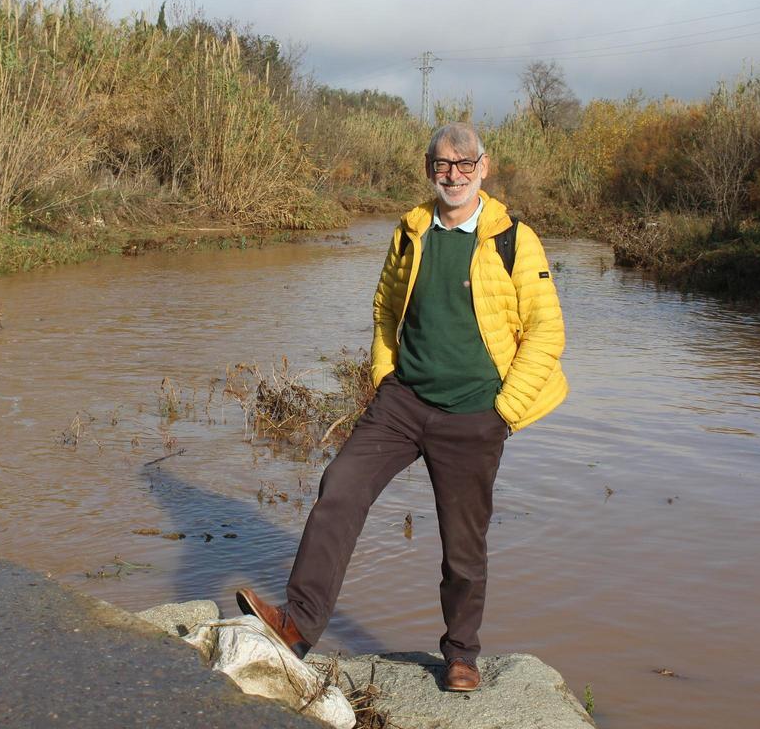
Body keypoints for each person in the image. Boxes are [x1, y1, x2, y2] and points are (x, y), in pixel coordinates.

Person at [236, 122, 568, 692]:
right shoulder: (411, 230)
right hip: (402, 403)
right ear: (428, 169)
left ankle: (461, 654)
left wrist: (504, 410)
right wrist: (385, 375)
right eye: (444, 165)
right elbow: (385, 308)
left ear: (484, 168)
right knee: (339, 488)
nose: (455, 175)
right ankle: (297, 627)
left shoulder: (515, 238)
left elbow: (546, 332)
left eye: (466, 165)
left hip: (475, 413)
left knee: (463, 542)